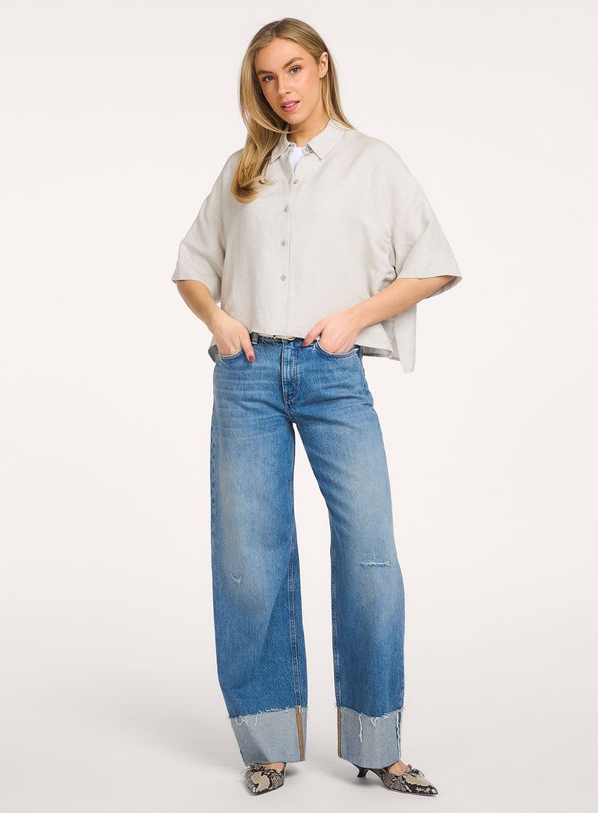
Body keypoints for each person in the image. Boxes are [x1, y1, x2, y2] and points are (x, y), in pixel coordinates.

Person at [172, 17, 462, 797]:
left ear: (323, 66)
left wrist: (357, 317)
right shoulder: (244, 169)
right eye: (267, 77)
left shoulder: (373, 162)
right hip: (246, 373)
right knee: (249, 558)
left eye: (294, 69)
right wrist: (219, 319)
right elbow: (192, 265)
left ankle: (377, 744)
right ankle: (267, 742)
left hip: (333, 371)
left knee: (370, 552)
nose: (282, 89)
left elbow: (434, 265)